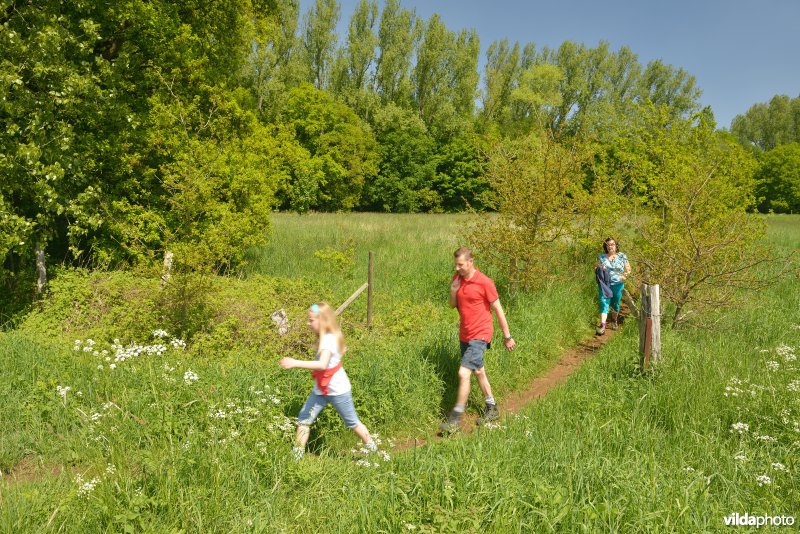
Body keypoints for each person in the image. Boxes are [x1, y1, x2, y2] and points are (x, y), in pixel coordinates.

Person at [279, 302, 376, 459]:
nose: (307, 323)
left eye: (311, 320)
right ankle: (296, 457)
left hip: (338, 390)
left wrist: (294, 362)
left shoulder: (328, 340)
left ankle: (373, 449)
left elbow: (322, 364)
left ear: (322, 321)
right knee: (304, 419)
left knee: (352, 423)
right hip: (321, 389)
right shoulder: (325, 337)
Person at [440, 247, 516, 433]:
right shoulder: (457, 280)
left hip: (480, 334)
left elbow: (498, 309)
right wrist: (452, 290)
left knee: (463, 373)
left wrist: (507, 336)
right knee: (478, 370)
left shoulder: (485, 282)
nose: (457, 268)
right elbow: (452, 305)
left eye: (461, 264)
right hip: (465, 334)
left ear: (471, 261)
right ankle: (492, 407)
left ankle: (455, 418)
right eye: (455, 265)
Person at [595, 237, 631, 335]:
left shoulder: (622, 256)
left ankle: (614, 320)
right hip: (605, 284)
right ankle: (602, 325)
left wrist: (624, 275)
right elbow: (596, 268)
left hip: (618, 284)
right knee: (604, 303)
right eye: (608, 244)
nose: (610, 246)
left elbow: (628, 269)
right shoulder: (601, 257)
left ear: (616, 246)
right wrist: (600, 268)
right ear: (605, 246)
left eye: (612, 244)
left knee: (616, 304)